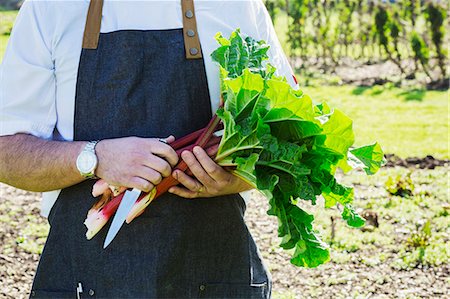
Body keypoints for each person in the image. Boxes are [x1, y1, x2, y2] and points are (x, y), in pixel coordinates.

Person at [0, 0, 297, 297]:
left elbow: (287, 139)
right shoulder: (50, 7)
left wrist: (234, 180)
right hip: (83, 277)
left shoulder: (237, 6)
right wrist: (93, 157)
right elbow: (6, 153)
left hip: (216, 276)